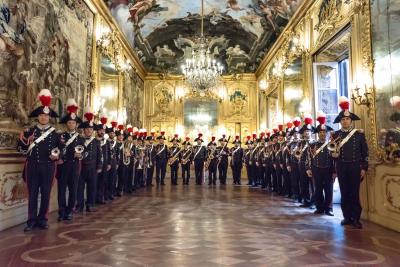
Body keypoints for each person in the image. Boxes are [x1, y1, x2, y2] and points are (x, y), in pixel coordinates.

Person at [17, 89, 61, 232]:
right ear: (38, 116)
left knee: (46, 194)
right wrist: (24, 141)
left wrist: (57, 156)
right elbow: (20, 148)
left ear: (49, 117)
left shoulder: (55, 134)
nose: (43, 117)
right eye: (41, 115)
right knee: (33, 194)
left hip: (48, 167)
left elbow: (61, 150)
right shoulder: (30, 132)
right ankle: (31, 220)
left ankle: (43, 219)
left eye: (46, 115)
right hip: (33, 166)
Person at [332, 96, 368, 229]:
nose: (345, 121)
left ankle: (356, 218)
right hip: (341, 166)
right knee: (344, 192)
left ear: (351, 120)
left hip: (355, 166)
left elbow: (365, 153)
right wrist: (334, 155)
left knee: (354, 192)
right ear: (340, 121)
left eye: (347, 119)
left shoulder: (359, 134)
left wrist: (364, 167)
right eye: (343, 119)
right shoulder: (335, 135)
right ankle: (346, 217)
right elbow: (332, 153)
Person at [57, 98, 84, 222]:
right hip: (62, 165)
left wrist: (81, 155)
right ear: (66, 124)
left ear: (76, 124)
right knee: (61, 190)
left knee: (73, 189)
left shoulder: (80, 138)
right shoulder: (60, 136)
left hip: (74, 166)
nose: (71, 124)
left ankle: (69, 211)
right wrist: (58, 158)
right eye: (69, 123)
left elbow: (85, 151)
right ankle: (61, 211)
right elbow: (56, 149)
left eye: (73, 123)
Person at [307, 111, 335, 216]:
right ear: (318, 134)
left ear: (327, 133)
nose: (322, 134)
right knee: (318, 190)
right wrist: (309, 168)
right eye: (320, 132)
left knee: (329, 190)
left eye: (324, 132)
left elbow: (334, 160)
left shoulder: (331, 144)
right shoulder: (312, 145)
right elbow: (309, 158)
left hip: (328, 170)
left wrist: (334, 172)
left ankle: (328, 208)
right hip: (316, 169)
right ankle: (319, 207)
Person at [76, 108, 102, 213]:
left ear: (92, 131)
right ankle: (80, 205)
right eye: (87, 129)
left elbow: (99, 154)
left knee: (92, 187)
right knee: (80, 187)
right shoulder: (79, 140)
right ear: (84, 130)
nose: (89, 131)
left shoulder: (96, 141)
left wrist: (99, 166)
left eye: (91, 129)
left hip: (92, 167)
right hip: (81, 167)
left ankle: (90, 204)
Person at [298, 115, 315, 208]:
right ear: (303, 133)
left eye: (308, 131)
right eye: (305, 131)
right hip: (302, 165)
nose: (307, 133)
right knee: (304, 184)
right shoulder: (300, 143)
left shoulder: (314, 142)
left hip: (312, 166)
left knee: (313, 185)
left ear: (311, 132)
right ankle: (306, 200)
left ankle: (313, 202)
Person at [95, 115, 111, 205]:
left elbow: (109, 153)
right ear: (97, 131)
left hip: (104, 164)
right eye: (100, 130)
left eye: (103, 131)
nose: (102, 132)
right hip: (96, 164)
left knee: (103, 181)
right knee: (94, 181)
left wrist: (109, 163)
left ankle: (100, 197)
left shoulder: (106, 142)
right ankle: (93, 198)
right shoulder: (94, 141)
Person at [287, 117, 302, 202]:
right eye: (295, 133)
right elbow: (288, 156)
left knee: (302, 182)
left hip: (301, 164)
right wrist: (288, 164)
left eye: (297, 133)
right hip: (293, 164)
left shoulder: (302, 143)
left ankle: (302, 196)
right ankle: (296, 195)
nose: (296, 135)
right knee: (294, 181)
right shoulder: (291, 144)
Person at [106, 121, 120, 200]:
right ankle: (106, 194)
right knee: (107, 179)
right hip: (107, 162)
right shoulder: (106, 142)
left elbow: (118, 154)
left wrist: (117, 163)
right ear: (108, 134)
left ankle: (112, 193)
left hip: (114, 162)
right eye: (110, 133)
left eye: (113, 133)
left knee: (113, 178)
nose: (112, 134)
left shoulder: (116, 143)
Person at [115, 125, 125, 196]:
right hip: (116, 162)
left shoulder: (124, 144)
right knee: (114, 177)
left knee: (122, 177)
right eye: (120, 135)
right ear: (117, 136)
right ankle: (114, 190)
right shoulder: (115, 144)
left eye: (122, 136)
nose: (121, 137)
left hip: (123, 162)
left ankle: (120, 190)